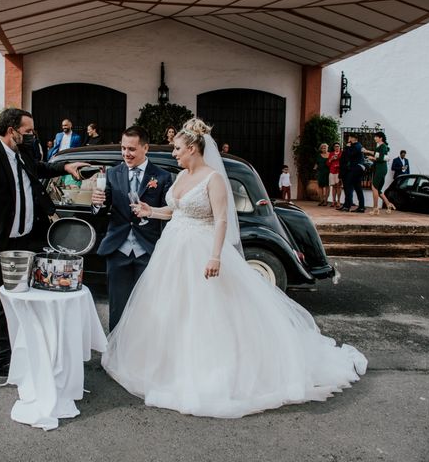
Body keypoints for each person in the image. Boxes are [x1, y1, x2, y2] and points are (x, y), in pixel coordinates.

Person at [101, 118, 367, 419]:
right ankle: (167, 363)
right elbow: (174, 211)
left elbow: (222, 220)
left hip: (201, 249)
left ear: (192, 148)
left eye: (177, 148)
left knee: (206, 311)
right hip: (173, 248)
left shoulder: (213, 178)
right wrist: (152, 210)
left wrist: (215, 256)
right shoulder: (180, 176)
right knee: (171, 309)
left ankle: (208, 369)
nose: (173, 153)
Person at [0, 108, 88, 398]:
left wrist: (65, 167)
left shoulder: (23, 155)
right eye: (27, 132)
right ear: (11, 130)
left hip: (24, 245)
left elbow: (39, 168)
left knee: (10, 305)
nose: (31, 136)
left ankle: (4, 362)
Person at [91, 126, 172, 331]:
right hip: (118, 250)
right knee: (117, 308)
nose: (126, 154)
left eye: (132, 149)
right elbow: (102, 210)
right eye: (123, 148)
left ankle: (141, 356)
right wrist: (97, 203)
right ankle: (115, 355)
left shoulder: (161, 177)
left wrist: (150, 211)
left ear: (145, 148)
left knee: (147, 309)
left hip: (148, 251)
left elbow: (169, 214)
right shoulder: (112, 173)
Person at [365, 131, 396, 215]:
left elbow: (381, 158)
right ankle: (388, 204)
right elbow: (377, 154)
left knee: (374, 187)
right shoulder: (381, 146)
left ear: (380, 138)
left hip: (380, 169)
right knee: (378, 190)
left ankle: (375, 208)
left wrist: (372, 158)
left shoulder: (383, 146)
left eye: (376, 137)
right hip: (380, 168)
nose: (374, 138)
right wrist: (367, 151)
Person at [338, 134, 365, 213]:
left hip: (355, 169)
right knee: (357, 188)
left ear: (353, 138)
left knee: (349, 187)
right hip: (354, 169)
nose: (348, 138)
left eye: (349, 137)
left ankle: (347, 206)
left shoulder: (357, 146)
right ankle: (360, 207)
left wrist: (347, 147)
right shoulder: (355, 145)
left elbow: (350, 155)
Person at [327, 142, 342, 208]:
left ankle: (338, 201)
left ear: (340, 147)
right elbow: (327, 164)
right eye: (335, 146)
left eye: (338, 146)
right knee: (333, 186)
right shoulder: (331, 154)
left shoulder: (342, 153)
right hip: (332, 171)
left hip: (339, 172)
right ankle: (333, 201)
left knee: (339, 186)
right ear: (334, 147)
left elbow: (344, 162)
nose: (337, 147)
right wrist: (331, 159)